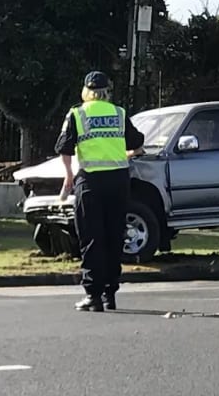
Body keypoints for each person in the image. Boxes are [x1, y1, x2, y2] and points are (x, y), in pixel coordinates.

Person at [55, 71, 145, 312]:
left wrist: (68, 175)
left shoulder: (77, 113)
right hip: (118, 180)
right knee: (114, 235)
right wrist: (126, 154)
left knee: (92, 237)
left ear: (86, 90)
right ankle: (110, 294)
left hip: (90, 182)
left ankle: (92, 296)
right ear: (107, 91)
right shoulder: (119, 113)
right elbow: (137, 143)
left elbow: (64, 148)